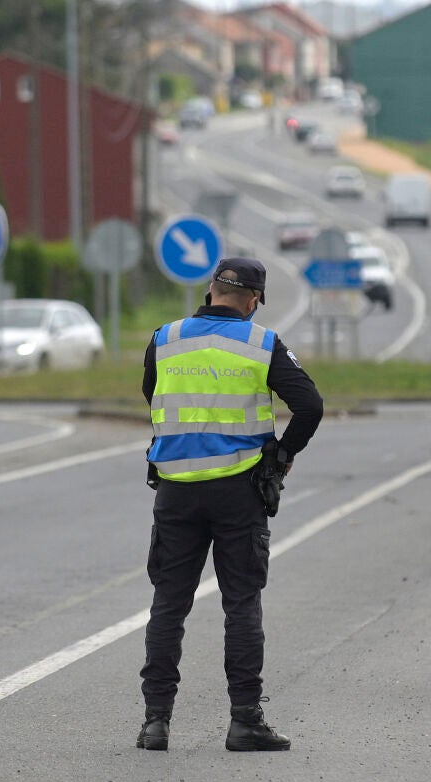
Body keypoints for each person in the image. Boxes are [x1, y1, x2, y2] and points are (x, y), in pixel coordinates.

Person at [138, 258, 323, 752]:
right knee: (240, 604)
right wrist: (281, 455)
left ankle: (156, 722)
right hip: (240, 490)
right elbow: (310, 406)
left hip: (176, 488)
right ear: (254, 299)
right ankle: (245, 721)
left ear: (211, 290)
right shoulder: (262, 343)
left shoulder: (165, 338)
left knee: (169, 603)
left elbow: (153, 396)